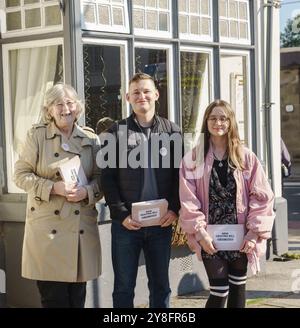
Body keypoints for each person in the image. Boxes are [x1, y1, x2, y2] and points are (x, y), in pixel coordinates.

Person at [14, 83, 102, 308]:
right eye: (59, 104)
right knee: (54, 301)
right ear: (49, 109)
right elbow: (20, 175)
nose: (66, 109)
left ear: (78, 107)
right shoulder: (37, 136)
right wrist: (54, 188)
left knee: (77, 300)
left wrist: (87, 191)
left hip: (80, 230)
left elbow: (103, 180)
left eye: (70, 103)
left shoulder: (91, 140)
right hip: (47, 232)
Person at [179, 99, 275, 308]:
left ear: (231, 122)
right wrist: (200, 233)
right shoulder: (194, 158)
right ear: (206, 121)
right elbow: (188, 199)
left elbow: (262, 197)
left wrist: (253, 233)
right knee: (219, 290)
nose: (218, 122)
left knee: (238, 286)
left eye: (223, 118)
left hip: (241, 235)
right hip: (210, 237)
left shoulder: (245, 157)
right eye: (213, 118)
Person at [100, 73, 181, 308]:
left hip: (160, 224)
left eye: (146, 91)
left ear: (156, 94)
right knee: (124, 288)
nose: (141, 96)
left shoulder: (172, 131)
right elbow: (108, 179)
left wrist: (174, 209)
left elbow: (179, 176)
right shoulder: (115, 132)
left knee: (161, 286)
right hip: (127, 226)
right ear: (128, 97)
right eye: (136, 92)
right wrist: (121, 215)